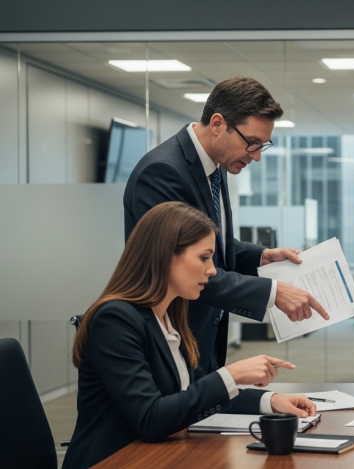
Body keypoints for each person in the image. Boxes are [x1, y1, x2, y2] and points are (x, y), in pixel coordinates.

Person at [124, 77, 329, 414]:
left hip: (198, 338)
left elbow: (211, 248)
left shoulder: (213, 169)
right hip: (168, 334)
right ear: (218, 124)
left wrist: (262, 255)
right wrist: (273, 291)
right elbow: (181, 267)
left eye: (264, 145)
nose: (257, 156)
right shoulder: (165, 171)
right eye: (252, 143)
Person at [63, 202, 316, 468]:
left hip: (157, 457)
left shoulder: (169, 316)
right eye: (204, 258)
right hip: (117, 461)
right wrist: (231, 374)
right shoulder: (115, 320)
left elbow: (192, 397)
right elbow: (151, 418)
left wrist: (271, 401)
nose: (212, 270)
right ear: (166, 254)